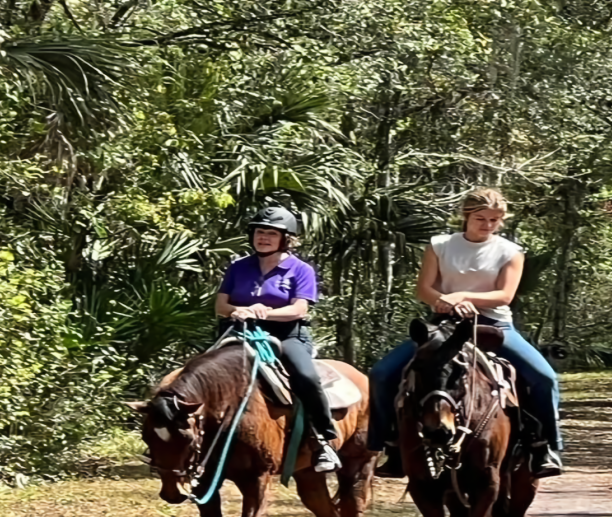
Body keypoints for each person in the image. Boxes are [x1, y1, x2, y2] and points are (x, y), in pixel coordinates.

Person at [368, 187, 564, 479]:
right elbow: (424, 288)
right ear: (466, 216)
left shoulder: (510, 252)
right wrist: (442, 300)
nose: (488, 225)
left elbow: (505, 295)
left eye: (495, 220)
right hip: (444, 324)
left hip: (493, 326)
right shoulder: (440, 245)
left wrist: (461, 296)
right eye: (481, 218)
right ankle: (389, 443)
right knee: (382, 373)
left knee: (544, 377)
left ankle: (546, 447)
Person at [215, 205, 342, 473]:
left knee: (305, 376)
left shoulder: (300, 270)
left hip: (287, 335)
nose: (263, 237)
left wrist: (266, 312)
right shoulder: (238, 267)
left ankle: (323, 440)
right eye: (260, 232)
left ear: (285, 239)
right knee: (197, 373)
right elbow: (220, 305)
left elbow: (299, 309)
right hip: (240, 332)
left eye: (271, 233)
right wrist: (237, 310)